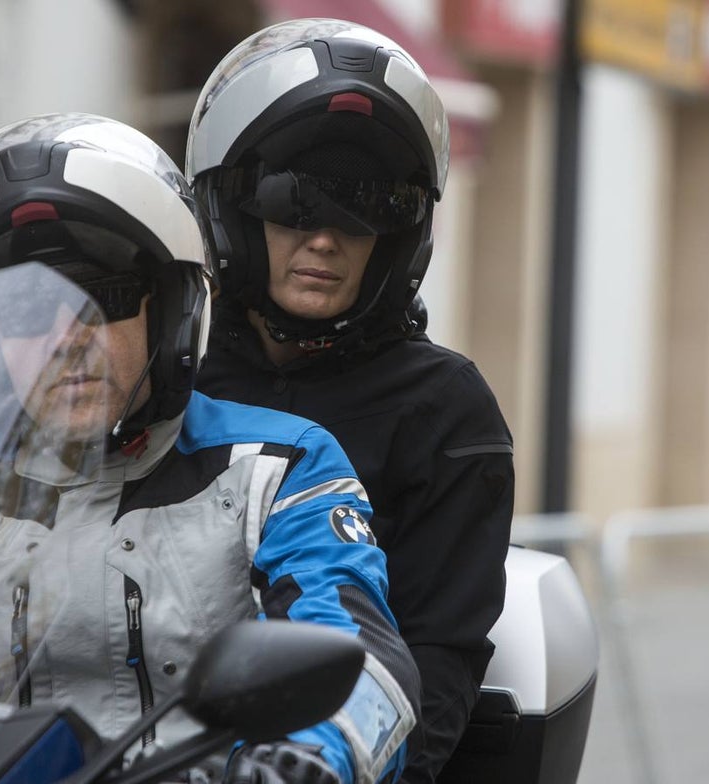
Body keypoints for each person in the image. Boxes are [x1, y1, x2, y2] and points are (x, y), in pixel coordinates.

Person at [0, 114, 421, 784]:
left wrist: (307, 762)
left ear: (171, 313)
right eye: (22, 311)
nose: (64, 338)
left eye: (101, 297)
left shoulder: (276, 468)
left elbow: (362, 658)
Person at [186, 20, 514, 783]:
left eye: (366, 205)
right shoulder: (170, 385)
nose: (326, 238)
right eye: (291, 198)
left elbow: (438, 657)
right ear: (233, 207)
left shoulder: (445, 409)